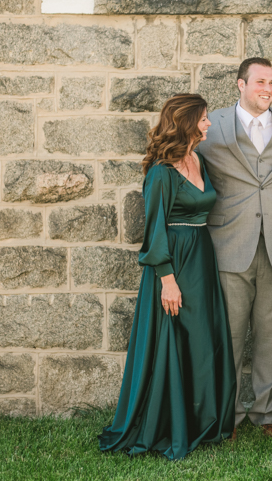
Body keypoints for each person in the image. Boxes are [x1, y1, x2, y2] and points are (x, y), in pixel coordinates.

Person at [99, 94, 236, 461]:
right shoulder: (161, 171)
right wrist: (167, 280)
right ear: (187, 122)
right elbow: (155, 228)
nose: (209, 124)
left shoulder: (198, 159)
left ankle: (204, 420)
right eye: (204, 119)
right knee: (174, 339)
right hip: (173, 263)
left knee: (203, 339)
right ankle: (168, 423)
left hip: (201, 257)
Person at [197, 58, 272, 440]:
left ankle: (266, 415)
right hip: (230, 243)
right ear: (240, 84)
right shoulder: (211, 128)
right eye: (260, 81)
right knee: (226, 335)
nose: (268, 88)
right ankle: (224, 416)